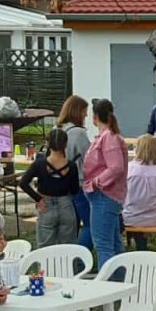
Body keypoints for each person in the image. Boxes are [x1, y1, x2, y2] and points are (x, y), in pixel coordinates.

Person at [83, 98, 129, 267]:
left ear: (95, 117)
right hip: (105, 196)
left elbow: (116, 167)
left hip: (105, 196)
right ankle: (120, 278)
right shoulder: (106, 136)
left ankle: (108, 280)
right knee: (114, 244)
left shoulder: (109, 138)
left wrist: (96, 182)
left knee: (103, 244)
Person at [20, 127, 81, 247]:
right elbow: (75, 190)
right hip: (66, 205)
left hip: (45, 205)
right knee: (68, 247)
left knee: (45, 247)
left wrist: (38, 198)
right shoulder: (72, 166)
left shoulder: (39, 164)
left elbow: (23, 183)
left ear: (48, 143)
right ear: (65, 144)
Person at [54, 94, 94, 247]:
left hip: (61, 185)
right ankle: (80, 256)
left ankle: (68, 255)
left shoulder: (58, 129)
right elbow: (89, 159)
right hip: (79, 184)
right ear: (77, 111)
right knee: (91, 224)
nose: (86, 116)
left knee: (71, 227)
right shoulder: (78, 133)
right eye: (84, 112)